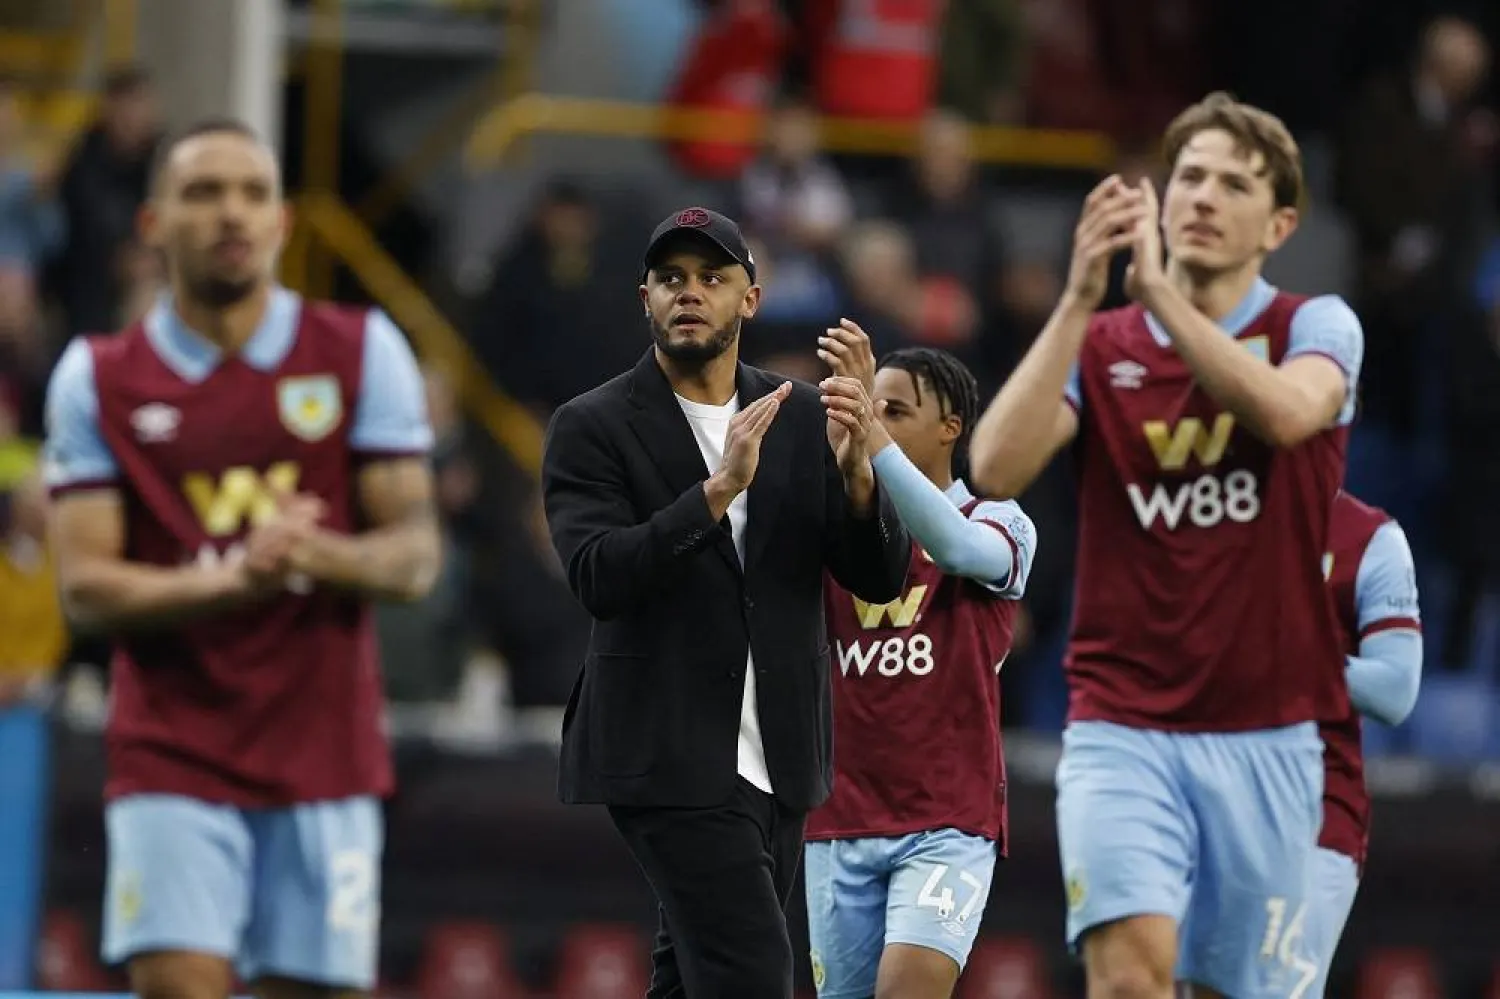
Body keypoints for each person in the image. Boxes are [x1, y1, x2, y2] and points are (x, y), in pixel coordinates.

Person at [968, 91, 1365, 999]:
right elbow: (992, 466)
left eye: (1234, 183)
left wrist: (1160, 301)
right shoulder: (1104, 339)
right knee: (1131, 976)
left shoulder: (1316, 325)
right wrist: (1079, 300)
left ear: (1281, 222)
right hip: (1123, 724)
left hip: (1269, 731)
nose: (1203, 197)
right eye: (1189, 176)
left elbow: (1286, 412)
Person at [42, 118, 440, 999]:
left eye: (253, 193)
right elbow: (86, 591)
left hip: (325, 752)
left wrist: (316, 552)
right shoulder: (99, 376)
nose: (231, 213)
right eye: (203, 192)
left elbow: (414, 558)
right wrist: (239, 577)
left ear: (283, 222)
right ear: (152, 224)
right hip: (171, 752)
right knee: (181, 985)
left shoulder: (360, 351)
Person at [541, 207, 912, 999]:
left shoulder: (804, 413)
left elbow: (878, 580)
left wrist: (858, 481)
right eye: (672, 279)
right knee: (753, 976)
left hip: (780, 752)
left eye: (713, 278)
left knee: (695, 977)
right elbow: (598, 576)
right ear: (644, 297)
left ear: (750, 298)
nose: (690, 293)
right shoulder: (592, 424)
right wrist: (715, 492)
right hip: (665, 753)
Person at [806, 325, 1036, 999]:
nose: (873, 421)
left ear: (950, 427)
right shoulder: (829, 529)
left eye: (895, 410)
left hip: (946, 819)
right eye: (867, 405)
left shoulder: (998, 520)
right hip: (840, 818)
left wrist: (869, 439)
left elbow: (957, 548)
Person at [1306, 491, 1422, 997]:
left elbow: (1396, 689)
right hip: (1197, 807)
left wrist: (1285, 661)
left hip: (1312, 817)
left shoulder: (1369, 538)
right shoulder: (1196, 517)